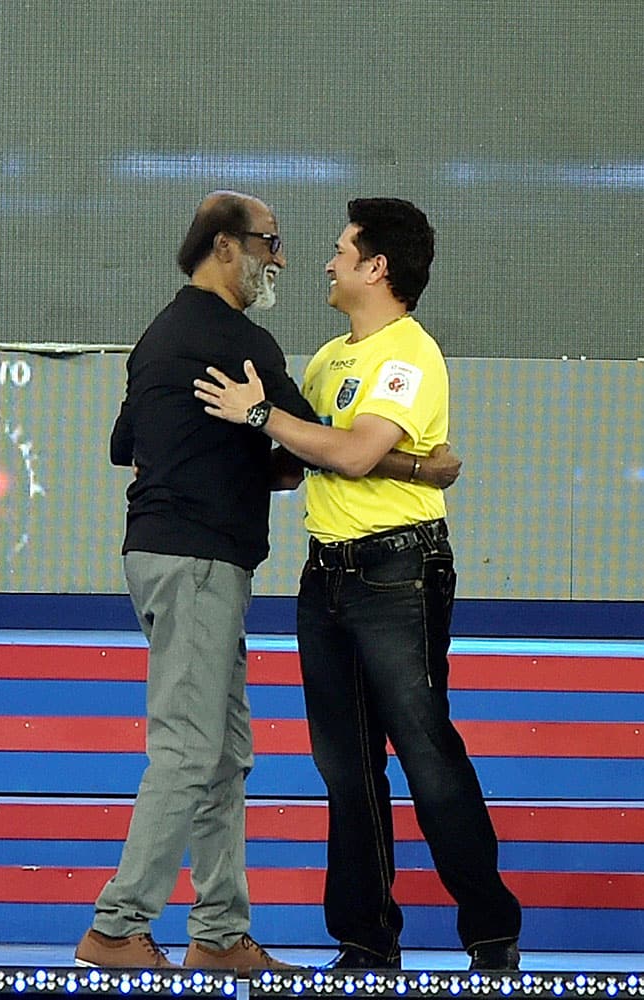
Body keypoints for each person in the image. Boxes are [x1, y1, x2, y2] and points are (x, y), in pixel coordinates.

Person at [75, 191, 460, 972]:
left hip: (161, 555)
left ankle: (219, 935)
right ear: (226, 247)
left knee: (223, 753)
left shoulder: (158, 337)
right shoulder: (241, 342)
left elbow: (128, 445)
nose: (283, 258)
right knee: (190, 751)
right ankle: (116, 927)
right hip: (200, 562)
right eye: (271, 242)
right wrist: (424, 465)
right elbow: (317, 450)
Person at [194, 197, 522, 972]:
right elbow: (316, 453)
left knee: (425, 748)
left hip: (397, 571)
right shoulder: (328, 358)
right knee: (344, 766)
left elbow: (349, 451)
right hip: (327, 574)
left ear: (377, 266)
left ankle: (490, 931)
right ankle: (366, 941)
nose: (327, 259)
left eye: (342, 249)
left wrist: (264, 414)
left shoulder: (410, 352)